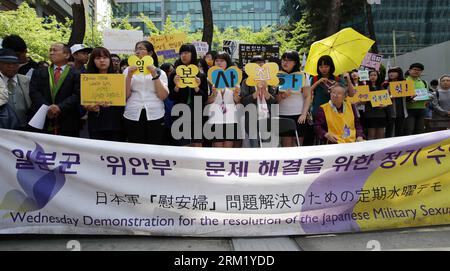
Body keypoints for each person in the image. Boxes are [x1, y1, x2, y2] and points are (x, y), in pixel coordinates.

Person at [29, 43, 81, 137]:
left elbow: (77, 94)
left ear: (67, 55)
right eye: (50, 50)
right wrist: (48, 107)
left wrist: (60, 107)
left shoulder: (76, 74)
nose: (51, 53)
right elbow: (34, 92)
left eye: (55, 50)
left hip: (68, 120)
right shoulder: (39, 72)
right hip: (44, 118)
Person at [124, 40, 168, 145]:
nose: (137, 52)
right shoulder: (127, 71)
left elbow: (163, 96)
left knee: (154, 145)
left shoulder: (160, 72)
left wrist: (154, 74)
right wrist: (129, 76)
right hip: (133, 113)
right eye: (136, 49)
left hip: (155, 113)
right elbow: (125, 95)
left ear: (150, 53)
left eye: (141, 49)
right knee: (136, 145)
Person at [308, 55, 355, 145]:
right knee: (320, 136)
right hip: (319, 112)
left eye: (326, 66)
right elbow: (308, 92)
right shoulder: (314, 79)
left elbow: (351, 94)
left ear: (331, 67)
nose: (323, 69)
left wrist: (348, 79)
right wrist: (318, 82)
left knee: (335, 137)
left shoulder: (337, 79)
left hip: (335, 114)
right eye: (321, 67)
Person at [169, 43, 209, 147]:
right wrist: (176, 86)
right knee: (183, 145)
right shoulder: (175, 74)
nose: (183, 55)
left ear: (193, 54)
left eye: (186, 52)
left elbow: (204, 98)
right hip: (180, 112)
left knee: (197, 144)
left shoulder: (201, 75)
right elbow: (171, 97)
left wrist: (196, 87)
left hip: (197, 112)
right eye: (181, 53)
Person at [83, 47, 125, 141]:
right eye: (98, 58)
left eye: (105, 57)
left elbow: (123, 100)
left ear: (109, 60)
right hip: (95, 121)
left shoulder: (118, 78)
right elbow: (82, 100)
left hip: (115, 122)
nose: (102, 61)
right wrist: (88, 106)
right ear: (92, 61)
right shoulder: (87, 79)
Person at [276, 51, 312, 147]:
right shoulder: (276, 76)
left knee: (298, 145)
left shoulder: (303, 75)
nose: (285, 63)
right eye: (283, 60)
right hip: (282, 114)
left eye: (289, 60)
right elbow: (274, 99)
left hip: (299, 114)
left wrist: (304, 113)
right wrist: (283, 96)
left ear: (295, 62)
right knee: (286, 146)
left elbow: (308, 96)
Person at [240, 55, 277, 147]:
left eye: (261, 64)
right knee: (254, 144)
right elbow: (244, 101)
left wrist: (264, 91)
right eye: (256, 65)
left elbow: (274, 102)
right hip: (252, 117)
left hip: (268, 116)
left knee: (267, 145)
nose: (259, 67)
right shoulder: (246, 82)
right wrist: (257, 92)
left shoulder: (270, 80)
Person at [205, 51, 241, 148]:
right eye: (216, 60)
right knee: (218, 146)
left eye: (222, 61)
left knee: (228, 147)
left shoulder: (234, 78)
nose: (219, 63)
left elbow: (238, 101)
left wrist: (236, 95)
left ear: (227, 62)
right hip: (215, 116)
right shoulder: (209, 79)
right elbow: (207, 101)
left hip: (230, 117)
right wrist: (213, 94)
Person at [0, 48, 31, 130]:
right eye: (7, 63)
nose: (11, 67)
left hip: (25, 128)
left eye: (15, 64)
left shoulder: (26, 80)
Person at [364, 70, 389, 140]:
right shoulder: (365, 87)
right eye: (371, 75)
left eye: (375, 75)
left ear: (378, 77)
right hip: (370, 114)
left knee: (381, 135)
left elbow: (386, 101)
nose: (373, 77)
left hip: (381, 114)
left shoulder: (382, 87)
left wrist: (385, 105)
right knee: (371, 134)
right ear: (368, 77)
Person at [383, 67, 407, 137]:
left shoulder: (405, 83)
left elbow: (407, 97)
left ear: (399, 73)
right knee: (389, 130)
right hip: (389, 110)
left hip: (402, 111)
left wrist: (412, 96)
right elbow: (382, 97)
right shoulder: (385, 84)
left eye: (394, 72)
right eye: (390, 72)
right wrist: (390, 97)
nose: (391, 74)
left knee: (400, 131)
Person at [404, 63, 428, 135]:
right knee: (409, 130)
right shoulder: (404, 81)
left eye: (419, 70)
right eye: (414, 69)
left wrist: (428, 98)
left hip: (421, 109)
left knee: (420, 131)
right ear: (409, 70)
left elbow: (426, 94)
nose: (417, 71)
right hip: (409, 109)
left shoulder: (424, 82)